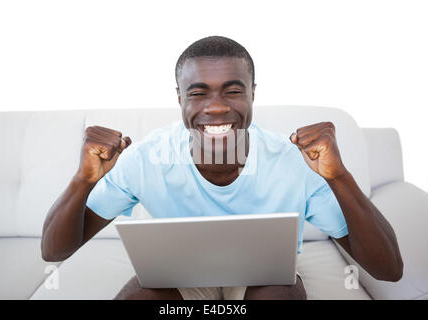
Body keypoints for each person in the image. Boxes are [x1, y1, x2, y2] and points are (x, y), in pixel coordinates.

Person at [41, 36, 403, 300]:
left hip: (263, 282)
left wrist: (338, 176)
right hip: (179, 281)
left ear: (252, 94)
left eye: (232, 91)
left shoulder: (296, 161)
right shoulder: (146, 156)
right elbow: (55, 251)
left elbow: (389, 269)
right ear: (180, 98)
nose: (215, 108)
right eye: (198, 93)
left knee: (278, 293)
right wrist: (82, 180)